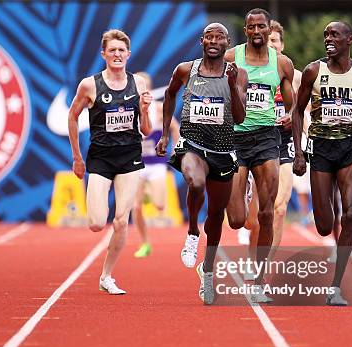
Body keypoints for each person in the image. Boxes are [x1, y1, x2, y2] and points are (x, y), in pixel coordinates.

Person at [156, 23, 247, 305]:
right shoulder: (186, 70)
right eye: (210, 36)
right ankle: (193, 231)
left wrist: (232, 86)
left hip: (221, 150)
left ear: (227, 43)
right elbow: (169, 94)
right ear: (202, 40)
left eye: (220, 37)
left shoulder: (237, 74)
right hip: (192, 145)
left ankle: (207, 270)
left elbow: (240, 117)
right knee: (194, 182)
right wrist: (163, 134)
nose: (214, 41)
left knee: (218, 215)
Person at [292, 21, 352, 306]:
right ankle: (327, 225)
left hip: (351, 147)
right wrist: (300, 152)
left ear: (349, 40)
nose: (329, 39)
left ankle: (336, 286)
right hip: (320, 149)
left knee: (350, 214)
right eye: (326, 35)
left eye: (335, 35)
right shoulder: (313, 71)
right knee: (324, 226)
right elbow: (297, 112)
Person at [68, 29, 153, 295]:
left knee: (120, 221)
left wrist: (145, 111)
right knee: (96, 222)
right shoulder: (90, 85)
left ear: (128, 54)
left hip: (130, 156)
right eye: (112, 50)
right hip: (101, 158)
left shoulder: (138, 83)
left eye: (121, 50)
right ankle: (105, 268)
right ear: (103, 54)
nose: (117, 54)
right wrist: (77, 158)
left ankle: (106, 275)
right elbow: (72, 117)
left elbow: (147, 130)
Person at [224, 8, 295, 301]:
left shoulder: (281, 64)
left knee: (268, 213)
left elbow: (292, 104)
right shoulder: (231, 57)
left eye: (261, 27)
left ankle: (258, 280)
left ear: (268, 30)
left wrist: (290, 115)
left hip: (268, 138)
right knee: (238, 220)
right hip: (237, 138)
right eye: (251, 27)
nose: (256, 31)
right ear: (245, 29)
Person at [239, 20, 302, 275]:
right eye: (269, 40)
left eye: (276, 41)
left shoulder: (292, 73)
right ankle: (253, 256)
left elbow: (304, 109)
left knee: (279, 207)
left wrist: (301, 141)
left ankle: (262, 268)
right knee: (251, 220)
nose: (271, 44)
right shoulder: (249, 67)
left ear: (282, 44)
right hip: (254, 139)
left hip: (283, 143)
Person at [132, 72, 181, 258]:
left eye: (142, 87)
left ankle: (148, 193)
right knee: (135, 207)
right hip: (136, 164)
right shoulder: (128, 110)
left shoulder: (159, 109)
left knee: (160, 206)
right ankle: (145, 243)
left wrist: (176, 148)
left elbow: (175, 127)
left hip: (156, 164)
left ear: (148, 88)